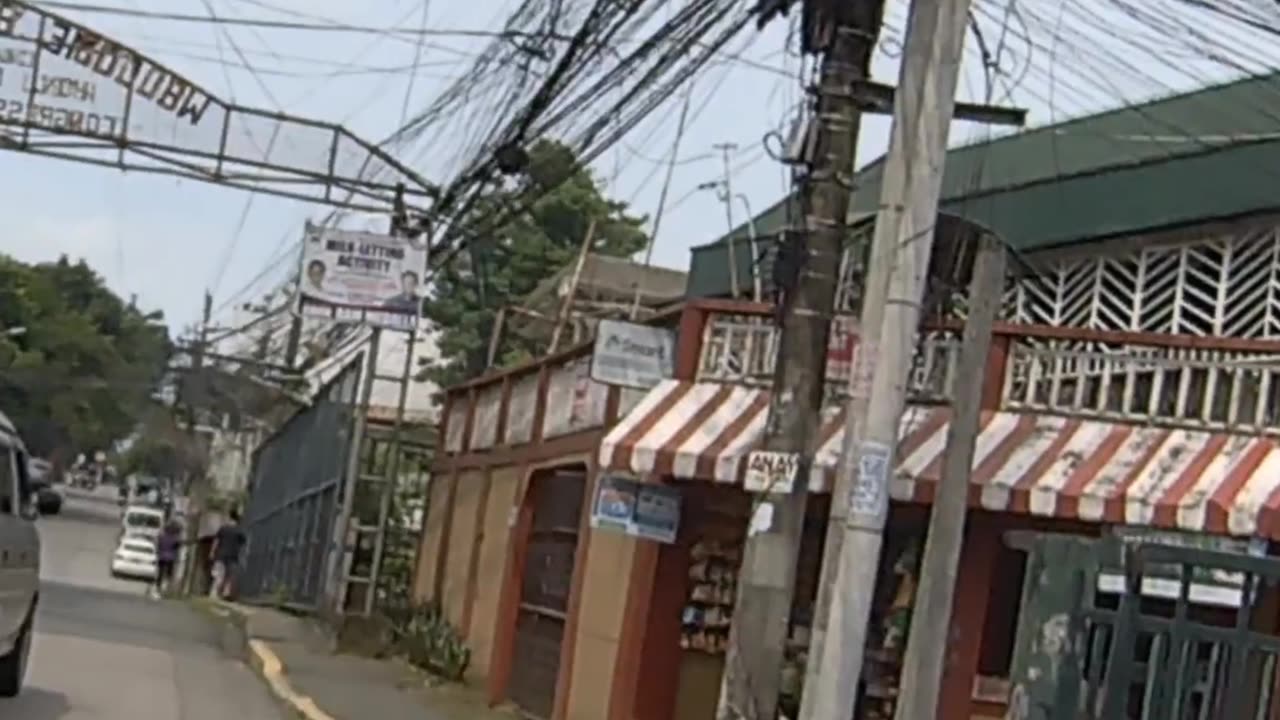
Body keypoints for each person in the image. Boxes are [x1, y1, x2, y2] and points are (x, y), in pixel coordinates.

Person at [209, 510, 246, 600]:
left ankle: (214, 593)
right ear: (238, 521)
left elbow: (216, 541)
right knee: (229, 576)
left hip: (221, 554)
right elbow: (242, 544)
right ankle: (226, 593)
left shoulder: (223, 529)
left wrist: (212, 552)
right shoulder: (239, 531)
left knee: (218, 575)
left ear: (230, 518)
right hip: (233, 556)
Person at [153, 521, 182, 599]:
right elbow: (177, 549)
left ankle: (157, 589)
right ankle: (164, 588)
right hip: (171, 558)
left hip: (162, 557)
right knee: (169, 574)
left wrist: (157, 553)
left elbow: (157, 546)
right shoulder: (176, 539)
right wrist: (177, 558)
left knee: (160, 573)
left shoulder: (161, 536)